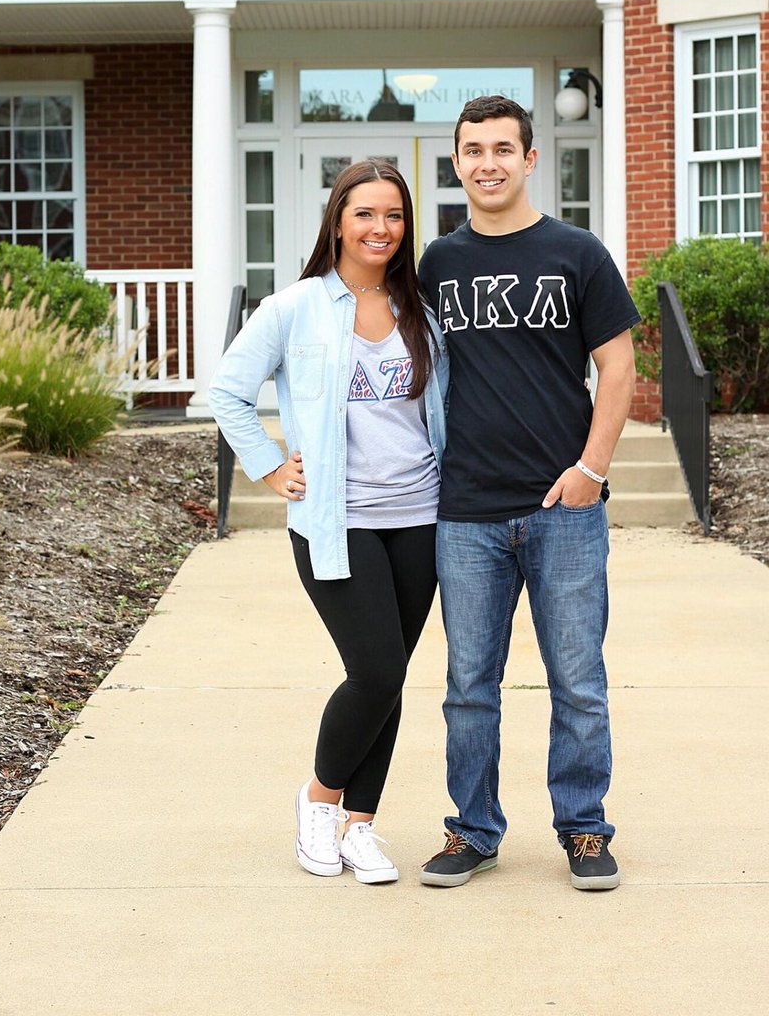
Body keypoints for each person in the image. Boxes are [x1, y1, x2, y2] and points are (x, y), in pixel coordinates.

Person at [417, 95, 640, 891]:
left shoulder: (577, 253)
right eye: (473, 149)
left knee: (577, 679)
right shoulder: (438, 263)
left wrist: (591, 471)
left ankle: (584, 829)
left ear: (530, 159)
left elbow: (619, 367)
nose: (488, 162)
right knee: (468, 687)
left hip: (564, 511)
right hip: (467, 511)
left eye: (503, 149)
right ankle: (472, 830)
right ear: (457, 162)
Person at [209, 159, 448, 885]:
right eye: (366, 214)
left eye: (395, 216)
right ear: (338, 220)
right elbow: (226, 390)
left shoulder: (423, 310)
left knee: (393, 676)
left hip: (421, 517)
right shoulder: (295, 308)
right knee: (374, 669)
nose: (381, 228)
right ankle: (318, 798)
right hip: (335, 522)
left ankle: (360, 828)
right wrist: (271, 466)